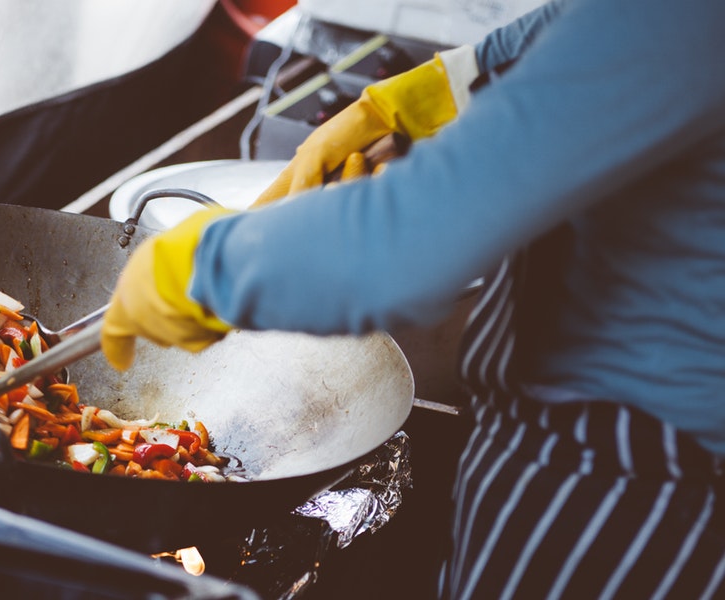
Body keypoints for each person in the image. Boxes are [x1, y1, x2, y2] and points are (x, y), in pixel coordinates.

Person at [100, 0, 725, 596]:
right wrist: (442, 87)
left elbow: (412, 240)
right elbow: (592, 33)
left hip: (625, 483)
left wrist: (208, 267)